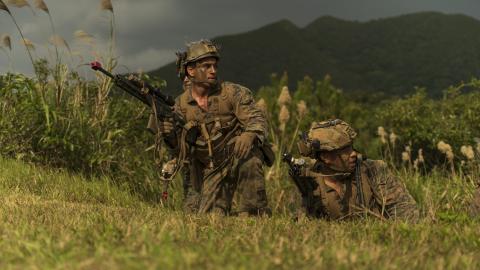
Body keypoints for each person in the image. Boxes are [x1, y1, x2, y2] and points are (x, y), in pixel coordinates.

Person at [155, 39, 273, 216]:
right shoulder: (179, 105)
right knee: (203, 217)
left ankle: (254, 213)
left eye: (215, 66)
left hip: (235, 158)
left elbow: (257, 120)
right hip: (208, 169)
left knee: (250, 156)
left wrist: (249, 135)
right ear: (191, 70)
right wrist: (168, 135)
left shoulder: (233, 93)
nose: (213, 70)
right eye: (206, 66)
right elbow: (180, 152)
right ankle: (229, 214)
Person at [285, 119, 419, 221]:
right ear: (326, 157)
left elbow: (405, 211)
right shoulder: (306, 181)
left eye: (351, 147)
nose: (354, 154)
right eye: (345, 151)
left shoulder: (374, 170)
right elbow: (299, 223)